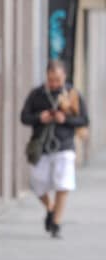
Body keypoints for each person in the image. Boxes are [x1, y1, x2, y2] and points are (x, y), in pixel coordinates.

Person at [20, 60, 89, 238]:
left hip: (64, 145)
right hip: (41, 146)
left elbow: (84, 120)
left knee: (63, 183)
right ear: (46, 77)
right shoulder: (37, 94)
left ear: (64, 76)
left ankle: (56, 223)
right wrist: (39, 117)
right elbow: (24, 117)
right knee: (37, 183)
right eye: (51, 80)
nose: (54, 84)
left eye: (58, 80)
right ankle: (50, 208)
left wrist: (64, 120)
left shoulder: (73, 94)